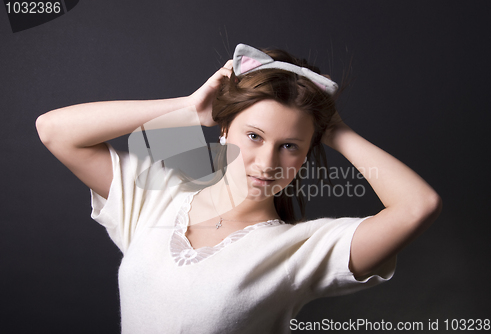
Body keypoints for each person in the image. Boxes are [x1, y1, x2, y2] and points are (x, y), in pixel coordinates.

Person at [36, 43, 442, 333]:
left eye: (289, 146)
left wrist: (334, 130)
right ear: (225, 129)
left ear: (304, 155)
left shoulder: (299, 250)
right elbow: (54, 131)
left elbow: (418, 206)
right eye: (254, 136)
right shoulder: (157, 196)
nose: (267, 164)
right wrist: (189, 108)